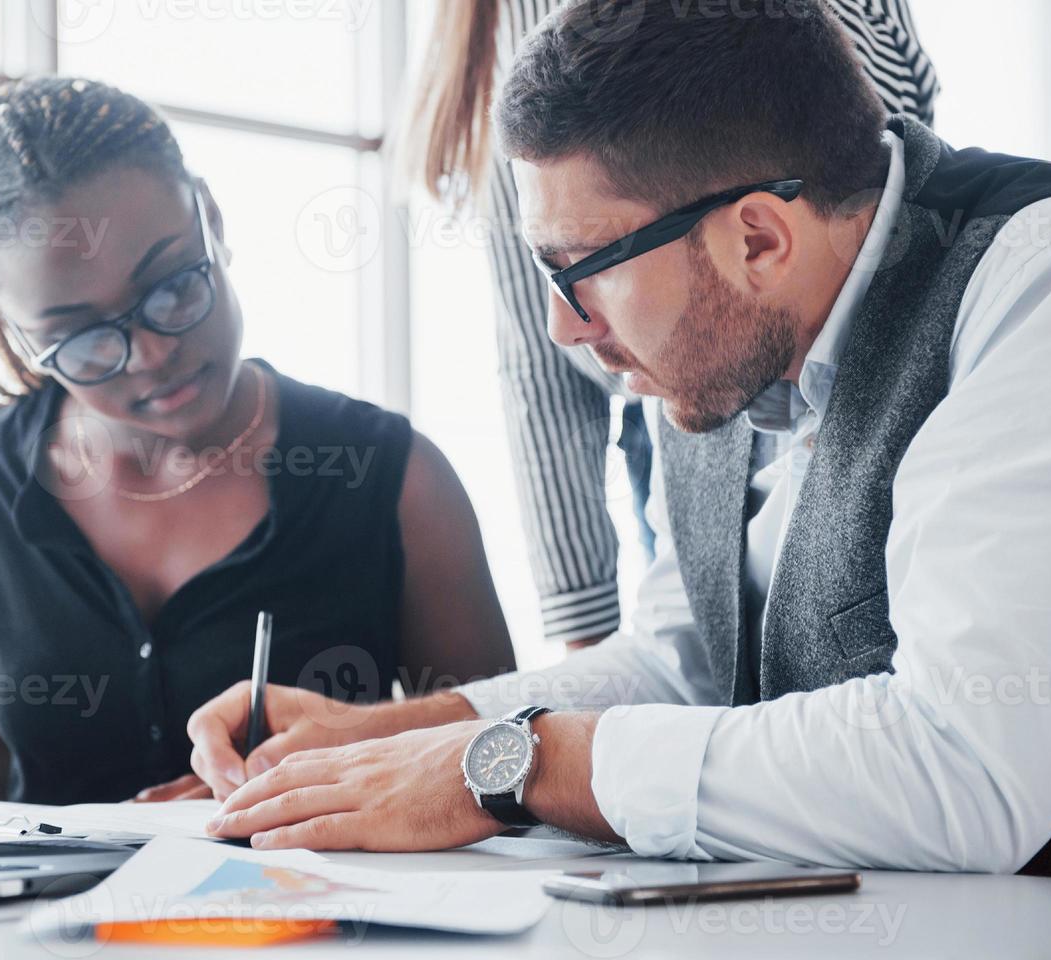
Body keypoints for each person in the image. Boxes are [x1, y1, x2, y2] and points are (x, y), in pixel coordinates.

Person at [187, 0, 1051, 879]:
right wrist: (398, 736)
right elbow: (682, 661)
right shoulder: (719, 337)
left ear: (757, 239)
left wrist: (504, 767)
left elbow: (961, 772)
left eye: (579, 271)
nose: (565, 328)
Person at [0, 77, 514, 805]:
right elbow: (27, 747)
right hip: (45, 920)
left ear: (209, 215)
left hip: (306, 913)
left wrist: (322, 774)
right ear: (17, 328)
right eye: (80, 338)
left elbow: (503, 755)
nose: (150, 354)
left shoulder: (389, 474)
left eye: (172, 287)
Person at [399, 0, 940, 648]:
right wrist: (582, 636)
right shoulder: (503, 23)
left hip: (792, 343)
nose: (561, 324)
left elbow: (864, 139)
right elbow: (535, 352)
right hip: (672, 391)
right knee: (701, 665)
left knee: (844, 672)